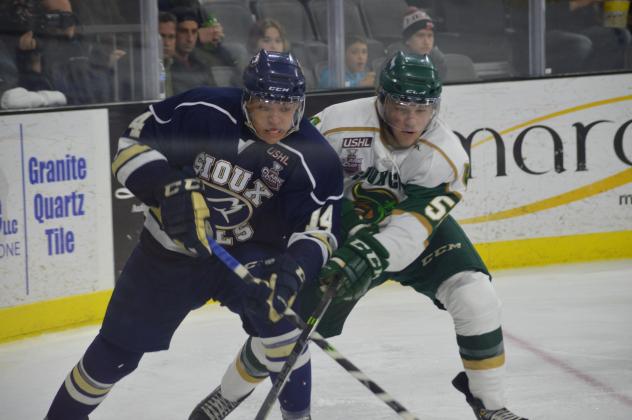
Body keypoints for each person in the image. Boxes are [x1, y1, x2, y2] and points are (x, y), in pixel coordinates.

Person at [192, 52, 528, 420]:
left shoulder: (446, 156)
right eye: (400, 107)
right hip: (336, 232)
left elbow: (412, 226)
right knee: (286, 326)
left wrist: (372, 253)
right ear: (380, 98)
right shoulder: (336, 124)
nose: (410, 120)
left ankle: (490, 406)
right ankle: (228, 394)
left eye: (421, 110)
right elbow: (290, 178)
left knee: (476, 296)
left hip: (406, 235)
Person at [43, 49, 344, 420]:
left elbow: (320, 230)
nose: (276, 119)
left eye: (287, 108)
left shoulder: (314, 156)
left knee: (284, 330)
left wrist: (295, 269)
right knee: (116, 353)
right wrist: (167, 187)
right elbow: (129, 146)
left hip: (253, 256)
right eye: (265, 106)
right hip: (172, 251)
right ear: (246, 99)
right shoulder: (203, 109)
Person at [386, 8, 448, 80]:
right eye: (420, 35)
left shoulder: (438, 60)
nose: (426, 42)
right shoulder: (394, 62)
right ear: (407, 40)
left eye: (430, 36)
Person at [170, 6, 216, 93]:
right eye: (184, 31)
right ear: (174, 33)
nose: (190, 39)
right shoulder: (168, 66)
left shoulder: (202, 63)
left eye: (194, 32)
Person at [159, 11, 177, 97]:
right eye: (162, 36)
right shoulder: (144, 70)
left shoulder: (179, 67)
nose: (167, 43)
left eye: (171, 37)